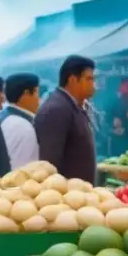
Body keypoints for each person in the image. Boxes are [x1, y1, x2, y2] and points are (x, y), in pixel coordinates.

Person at [34, 55, 97, 183]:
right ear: (73, 80)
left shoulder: (73, 106)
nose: (93, 85)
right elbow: (49, 164)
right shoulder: (56, 109)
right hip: (65, 192)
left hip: (80, 190)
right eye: (89, 79)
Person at [0, 72, 41, 170]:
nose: (39, 100)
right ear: (26, 94)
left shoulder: (1, 116)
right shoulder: (22, 126)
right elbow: (23, 170)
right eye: (37, 93)